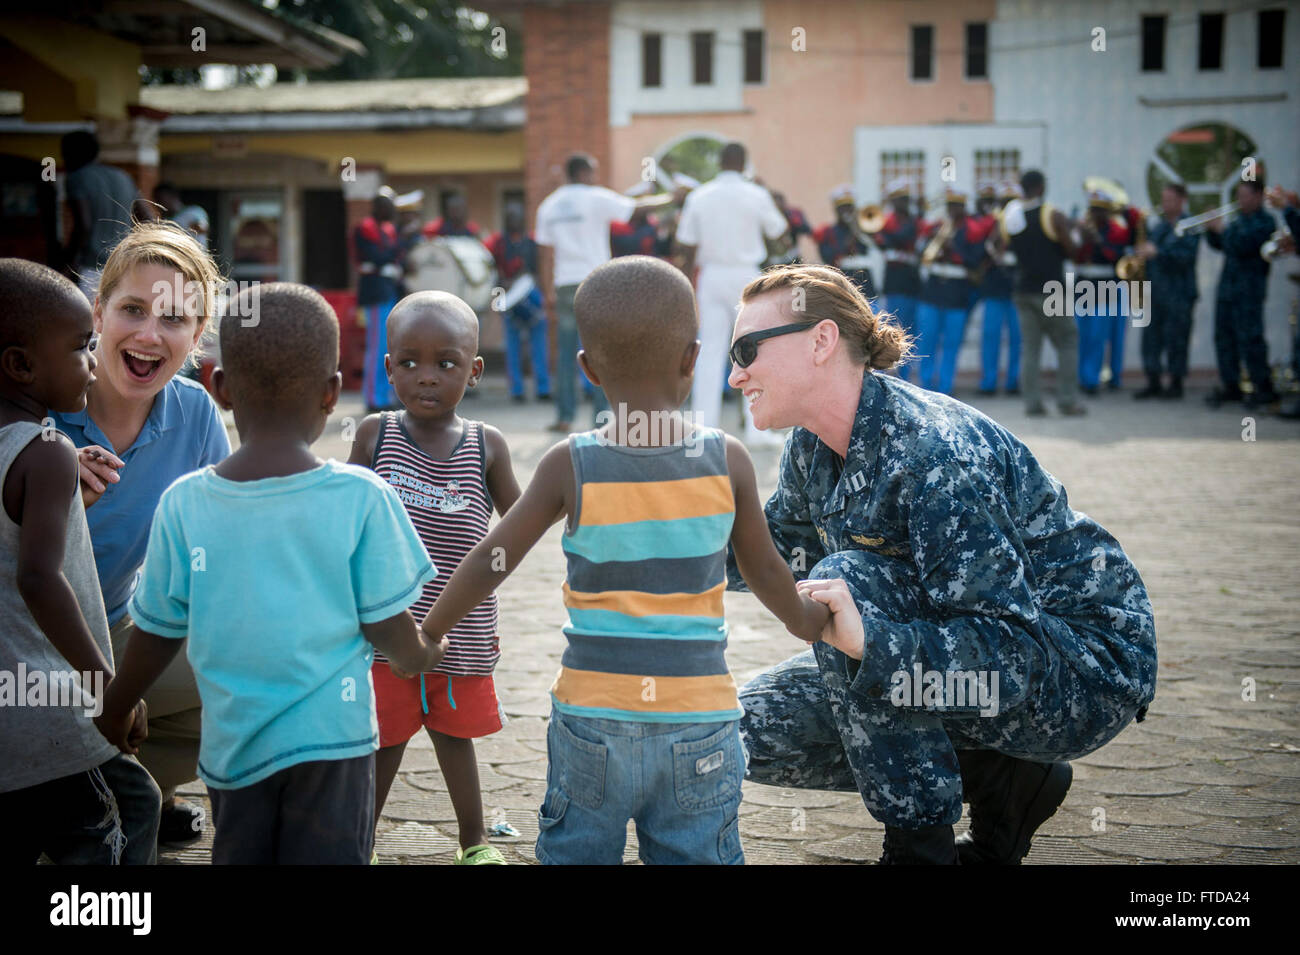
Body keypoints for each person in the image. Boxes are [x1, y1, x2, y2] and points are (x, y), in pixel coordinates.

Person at [417, 255, 847, 864]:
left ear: (587, 369)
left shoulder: (570, 462)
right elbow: (766, 571)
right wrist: (809, 621)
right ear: (693, 359)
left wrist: (431, 631)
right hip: (698, 723)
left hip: (593, 719)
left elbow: (493, 557)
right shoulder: (728, 461)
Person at [726, 264, 1157, 864]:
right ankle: (1003, 780)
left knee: (847, 586)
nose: (735, 371)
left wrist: (875, 642)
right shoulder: (813, 443)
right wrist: (658, 542)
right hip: (970, 660)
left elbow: (1010, 653)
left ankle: (919, 847)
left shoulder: (935, 455)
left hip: (1079, 668)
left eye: (747, 348)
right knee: (740, 732)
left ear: (822, 341)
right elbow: (771, 552)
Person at [96, 283, 447, 865]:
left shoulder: (185, 503)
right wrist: (422, 652)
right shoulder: (361, 496)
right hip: (334, 745)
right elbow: (388, 625)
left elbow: (157, 631)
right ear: (332, 394)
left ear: (222, 388)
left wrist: (117, 704)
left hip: (236, 748)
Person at [50, 221, 230, 849]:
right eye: (132, 309)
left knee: (259, 675)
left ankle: (130, 785)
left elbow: (220, 547)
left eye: (176, 319)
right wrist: (41, 488)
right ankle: (72, 793)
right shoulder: (37, 402)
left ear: (196, 337)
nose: (151, 335)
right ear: (97, 313)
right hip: (19, 644)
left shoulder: (195, 410)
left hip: (118, 627)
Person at [348, 291, 522, 865]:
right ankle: (359, 844)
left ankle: (473, 844)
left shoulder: (486, 445)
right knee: (384, 741)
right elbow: (343, 518)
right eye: (410, 362)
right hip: (386, 635)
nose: (427, 377)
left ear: (474, 371)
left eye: (446, 363)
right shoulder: (375, 435)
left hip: (462, 634)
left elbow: (519, 527)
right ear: (388, 367)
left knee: (455, 737)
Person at [0, 259, 161, 865]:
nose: (92, 362)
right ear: (20, 365)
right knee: (129, 811)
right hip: (52, 708)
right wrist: (106, 687)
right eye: (81, 347)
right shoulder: (46, 451)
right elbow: (39, 576)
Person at [674, 141, 788, 445]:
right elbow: (781, 235)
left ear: (720, 164)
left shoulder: (700, 195)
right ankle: (756, 430)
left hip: (710, 275)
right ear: (744, 163)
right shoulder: (756, 194)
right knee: (751, 351)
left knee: (709, 351)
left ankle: (703, 429)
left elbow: (685, 245)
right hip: (746, 275)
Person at [535, 154, 639, 433]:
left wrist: (548, 292)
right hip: (597, 283)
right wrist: (673, 198)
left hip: (565, 285)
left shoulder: (549, 205)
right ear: (582, 173)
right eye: (592, 172)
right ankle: (601, 418)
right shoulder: (596, 197)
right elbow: (635, 209)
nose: (595, 177)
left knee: (566, 353)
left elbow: (545, 255)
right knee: (600, 352)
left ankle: (564, 417)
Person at [999, 170, 1086, 416]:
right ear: (1039, 187)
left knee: (1030, 349)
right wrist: (1076, 232)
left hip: (1023, 289)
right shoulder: (1052, 213)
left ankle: (1032, 404)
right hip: (1052, 289)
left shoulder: (1011, 216)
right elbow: (1072, 251)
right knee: (1068, 342)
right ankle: (1067, 401)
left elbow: (999, 244)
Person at [1205, 179, 1280, 409]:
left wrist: (1223, 229)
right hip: (1227, 290)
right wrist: (1211, 230)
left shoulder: (1265, 222)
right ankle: (1231, 386)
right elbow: (1221, 245)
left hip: (1249, 292)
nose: (1240, 201)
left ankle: (1263, 388)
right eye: (1238, 195)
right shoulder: (1238, 221)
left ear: (1258, 197)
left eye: (1245, 196)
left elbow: (1242, 244)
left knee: (1251, 339)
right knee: (1224, 338)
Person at [355, 187, 419, 413]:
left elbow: (393, 257)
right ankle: (373, 397)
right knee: (377, 347)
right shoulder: (364, 229)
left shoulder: (389, 230)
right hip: (375, 294)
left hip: (391, 291)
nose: (393, 209)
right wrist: (401, 242)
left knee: (391, 347)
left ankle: (386, 395)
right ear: (378, 207)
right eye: (389, 205)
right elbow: (378, 256)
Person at [915, 188, 985, 396]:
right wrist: (932, 240)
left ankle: (946, 387)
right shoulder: (936, 227)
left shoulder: (973, 231)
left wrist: (953, 248)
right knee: (927, 340)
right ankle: (925, 386)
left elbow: (975, 261)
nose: (953, 210)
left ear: (964, 208)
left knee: (951, 343)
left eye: (957, 206)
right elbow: (920, 252)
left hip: (957, 293)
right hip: (933, 290)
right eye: (950, 206)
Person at [60, 131, 142, 302]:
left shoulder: (77, 177)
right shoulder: (123, 177)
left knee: (87, 324)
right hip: (122, 268)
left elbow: (84, 225)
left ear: (71, 153)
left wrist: (68, 264)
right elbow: (148, 218)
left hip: (90, 269)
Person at [1135, 183, 1199, 400]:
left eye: (1170, 199)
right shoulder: (1160, 226)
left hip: (1179, 294)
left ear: (1182, 200)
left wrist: (1157, 252)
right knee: (1151, 339)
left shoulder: (1189, 225)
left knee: (1177, 339)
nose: (1165, 204)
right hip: (1155, 293)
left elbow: (1185, 257)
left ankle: (1175, 384)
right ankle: (1153, 381)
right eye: (1163, 199)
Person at [486, 203, 551, 402]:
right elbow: (489, 269)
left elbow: (540, 269)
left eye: (517, 217)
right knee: (512, 345)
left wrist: (544, 294)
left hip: (531, 294)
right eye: (510, 217)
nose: (514, 221)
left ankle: (543, 388)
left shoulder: (531, 241)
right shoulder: (498, 243)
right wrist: (501, 284)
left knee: (539, 344)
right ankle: (517, 390)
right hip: (507, 297)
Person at [1075, 188, 1131, 395]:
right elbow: (1075, 256)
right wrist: (1081, 239)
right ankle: (1080, 377)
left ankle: (1091, 380)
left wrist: (1097, 240)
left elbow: (1114, 257)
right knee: (1081, 336)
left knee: (1098, 337)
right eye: (1092, 209)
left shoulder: (1117, 231)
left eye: (1099, 210)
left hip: (1105, 290)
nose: (1094, 214)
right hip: (1082, 289)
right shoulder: (1082, 229)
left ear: (1107, 212)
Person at [976, 182, 1022, 395]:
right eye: (1005, 202)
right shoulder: (991, 222)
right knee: (990, 336)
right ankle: (989, 382)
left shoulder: (1023, 223)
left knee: (1017, 337)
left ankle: (1013, 382)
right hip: (994, 287)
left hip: (1017, 287)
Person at [876, 179, 923, 382]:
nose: (902, 203)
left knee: (910, 332)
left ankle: (904, 376)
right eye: (898, 200)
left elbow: (904, 237)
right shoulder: (885, 221)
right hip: (894, 283)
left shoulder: (914, 221)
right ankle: (889, 374)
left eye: (905, 199)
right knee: (893, 329)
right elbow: (885, 242)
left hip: (912, 282)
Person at [815, 185, 879, 302]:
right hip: (843, 285)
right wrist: (849, 240)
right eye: (843, 208)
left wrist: (859, 230)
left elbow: (878, 245)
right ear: (836, 210)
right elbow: (827, 257)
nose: (847, 211)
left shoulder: (863, 229)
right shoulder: (828, 232)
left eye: (850, 207)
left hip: (867, 286)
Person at [153, 182, 210, 249]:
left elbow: (203, 227)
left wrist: (198, 226)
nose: (161, 204)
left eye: (163, 199)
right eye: (158, 201)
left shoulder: (194, 211)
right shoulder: (165, 222)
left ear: (173, 196)